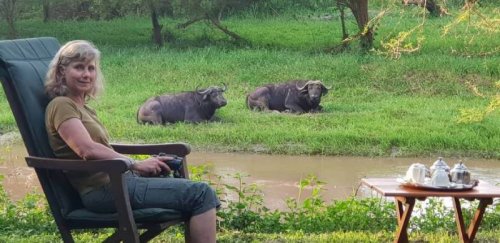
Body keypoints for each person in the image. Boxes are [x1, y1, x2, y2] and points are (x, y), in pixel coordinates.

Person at [44, 40, 219, 243]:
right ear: (61, 72)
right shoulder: (61, 105)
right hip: (105, 191)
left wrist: (142, 163)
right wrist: (134, 163)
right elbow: (86, 149)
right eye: (79, 67)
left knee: (194, 191)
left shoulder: (83, 107)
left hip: (119, 181)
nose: (86, 74)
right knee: (200, 194)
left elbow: (102, 148)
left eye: (91, 68)